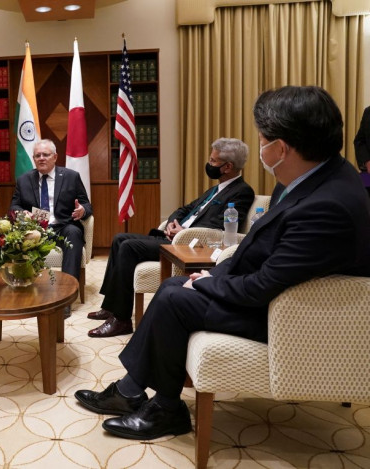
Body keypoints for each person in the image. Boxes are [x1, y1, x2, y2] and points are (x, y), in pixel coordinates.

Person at [74, 85, 370, 441]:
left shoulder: (329, 205)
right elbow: (266, 251)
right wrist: (212, 274)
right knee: (171, 286)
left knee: (172, 297)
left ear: (281, 147)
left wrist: (206, 282)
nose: (260, 148)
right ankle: (133, 391)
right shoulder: (314, 178)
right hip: (277, 295)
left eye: (262, 140)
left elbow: (265, 284)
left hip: (292, 315)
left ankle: (160, 407)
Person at [88, 138, 255, 338]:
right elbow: (185, 209)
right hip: (177, 238)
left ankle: (121, 320)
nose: (209, 165)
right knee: (119, 239)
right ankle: (110, 306)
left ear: (227, 167)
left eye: (212, 161)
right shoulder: (214, 189)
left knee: (129, 247)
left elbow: (219, 227)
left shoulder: (242, 192)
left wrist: (182, 232)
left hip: (191, 246)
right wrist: (172, 223)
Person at [10, 138, 93, 281]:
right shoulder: (24, 180)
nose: (41, 158)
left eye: (46, 155)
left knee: (74, 233)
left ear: (55, 157)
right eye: (38, 155)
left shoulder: (71, 177)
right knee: (14, 238)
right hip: (35, 228)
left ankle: (68, 288)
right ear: (34, 159)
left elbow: (87, 204)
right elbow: (14, 206)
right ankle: (26, 286)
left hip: (63, 226)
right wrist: (22, 213)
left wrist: (82, 210)